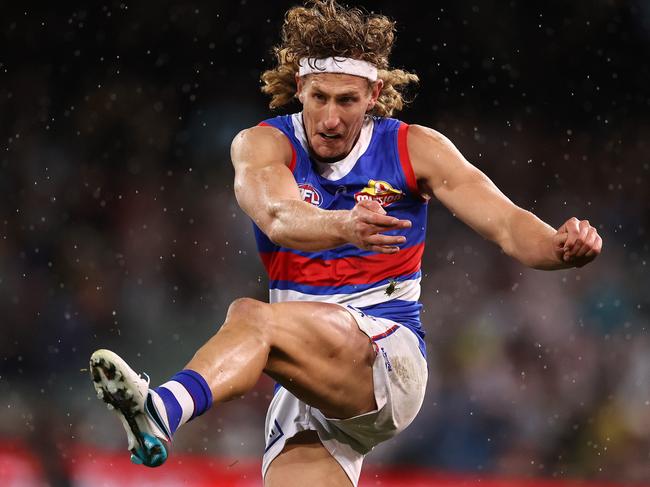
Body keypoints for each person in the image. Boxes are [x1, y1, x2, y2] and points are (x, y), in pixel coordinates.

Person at [89, 1, 603, 485]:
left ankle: (161, 410)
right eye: (319, 98)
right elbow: (277, 217)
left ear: (373, 96)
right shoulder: (262, 144)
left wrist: (561, 249)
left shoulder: (414, 148)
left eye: (347, 101)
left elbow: (509, 226)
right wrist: (343, 226)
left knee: (250, 317)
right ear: (299, 88)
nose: (331, 118)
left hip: (385, 356)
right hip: (307, 380)